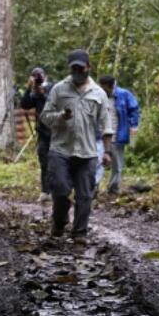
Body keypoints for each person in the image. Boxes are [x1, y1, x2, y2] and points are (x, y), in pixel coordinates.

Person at [40, 49, 113, 238]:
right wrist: (61, 117)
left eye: (81, 69)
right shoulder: (59, 89)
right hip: (61, 150)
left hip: (87, 153)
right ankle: (60, 220)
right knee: (60, 189)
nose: (77, 73)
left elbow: (106, 125)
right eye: (74, 69)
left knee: (85, 196)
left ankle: (79, 234)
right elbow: (45, 117)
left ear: (88, 67)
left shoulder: (99, 93)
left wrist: (107, 152)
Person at [98, 76, 140, 195]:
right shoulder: (99, 95)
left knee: (117, 164)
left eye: (103, 86)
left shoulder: (124, 94)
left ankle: (113, 188)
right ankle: (93, 188)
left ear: (109, 86)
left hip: (117, 134)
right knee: (97, 162)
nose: (100, 88)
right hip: (100, 135)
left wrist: (133, 126)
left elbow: (134, 110)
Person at [19, 67, 52, 199]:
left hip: (57, 133)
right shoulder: (34, 92)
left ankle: (56, 191)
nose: (38, 78)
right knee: (44, 162)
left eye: (40, 76)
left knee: (56, 163)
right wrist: (29, 88)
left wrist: (42, 92)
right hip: (43, 132)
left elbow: (52, 102)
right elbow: (25, 105)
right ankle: (45, 192)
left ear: (46, 76)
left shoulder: (52, 88)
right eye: (35, 76)